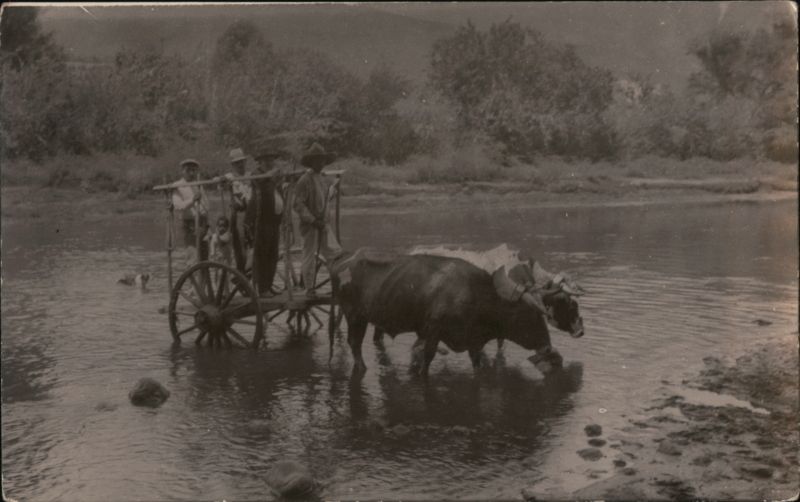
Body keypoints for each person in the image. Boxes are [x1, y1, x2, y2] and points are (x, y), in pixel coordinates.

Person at [294, 142, 342, 297]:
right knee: (309, 255)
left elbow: (325, 198)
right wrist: (313, 221)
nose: (321, 164)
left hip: (323, 224)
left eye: (322, 161)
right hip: (311, 225)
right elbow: (299, 205)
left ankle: (339, 283)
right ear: (312, 162)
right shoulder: (304, 180)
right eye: (318, 161)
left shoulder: (321, 178)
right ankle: (309, 288)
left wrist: (335, 189)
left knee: (335, 253)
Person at [245, 143, 286, 296]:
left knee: (273, 254)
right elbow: (257, 182)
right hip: (260, 221)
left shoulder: (273, 176)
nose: (270, 163)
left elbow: (279, 191)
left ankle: (268, 285)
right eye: (266, 160)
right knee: (261, 254)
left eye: (271, 160)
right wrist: (271, 175)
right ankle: (261, 288)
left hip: (274, 221)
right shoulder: (257, 174)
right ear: (260, 162)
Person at [170, 158, 209, 264]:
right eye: (188, 170)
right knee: (193, 257)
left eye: (193, 170)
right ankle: (192, 279)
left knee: (205, 258)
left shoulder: (198, 184)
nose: (191, 173)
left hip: (203, 223)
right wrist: (192, 200)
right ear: (182, 171)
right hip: (190, 224)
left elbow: (206, 204)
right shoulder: (178, 186)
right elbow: (178, 206)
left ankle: (205, 281)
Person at [224, 148, 252, 272]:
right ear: (233, 165)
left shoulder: (250, 175)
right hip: (239, 213)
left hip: (252, 212)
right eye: (237, 163)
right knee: (240, 245)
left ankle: (250, 271)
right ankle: (242, 273)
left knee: (253, 243)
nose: (240, 165)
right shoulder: (230, 177)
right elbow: (220, 181)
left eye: (241, 162)